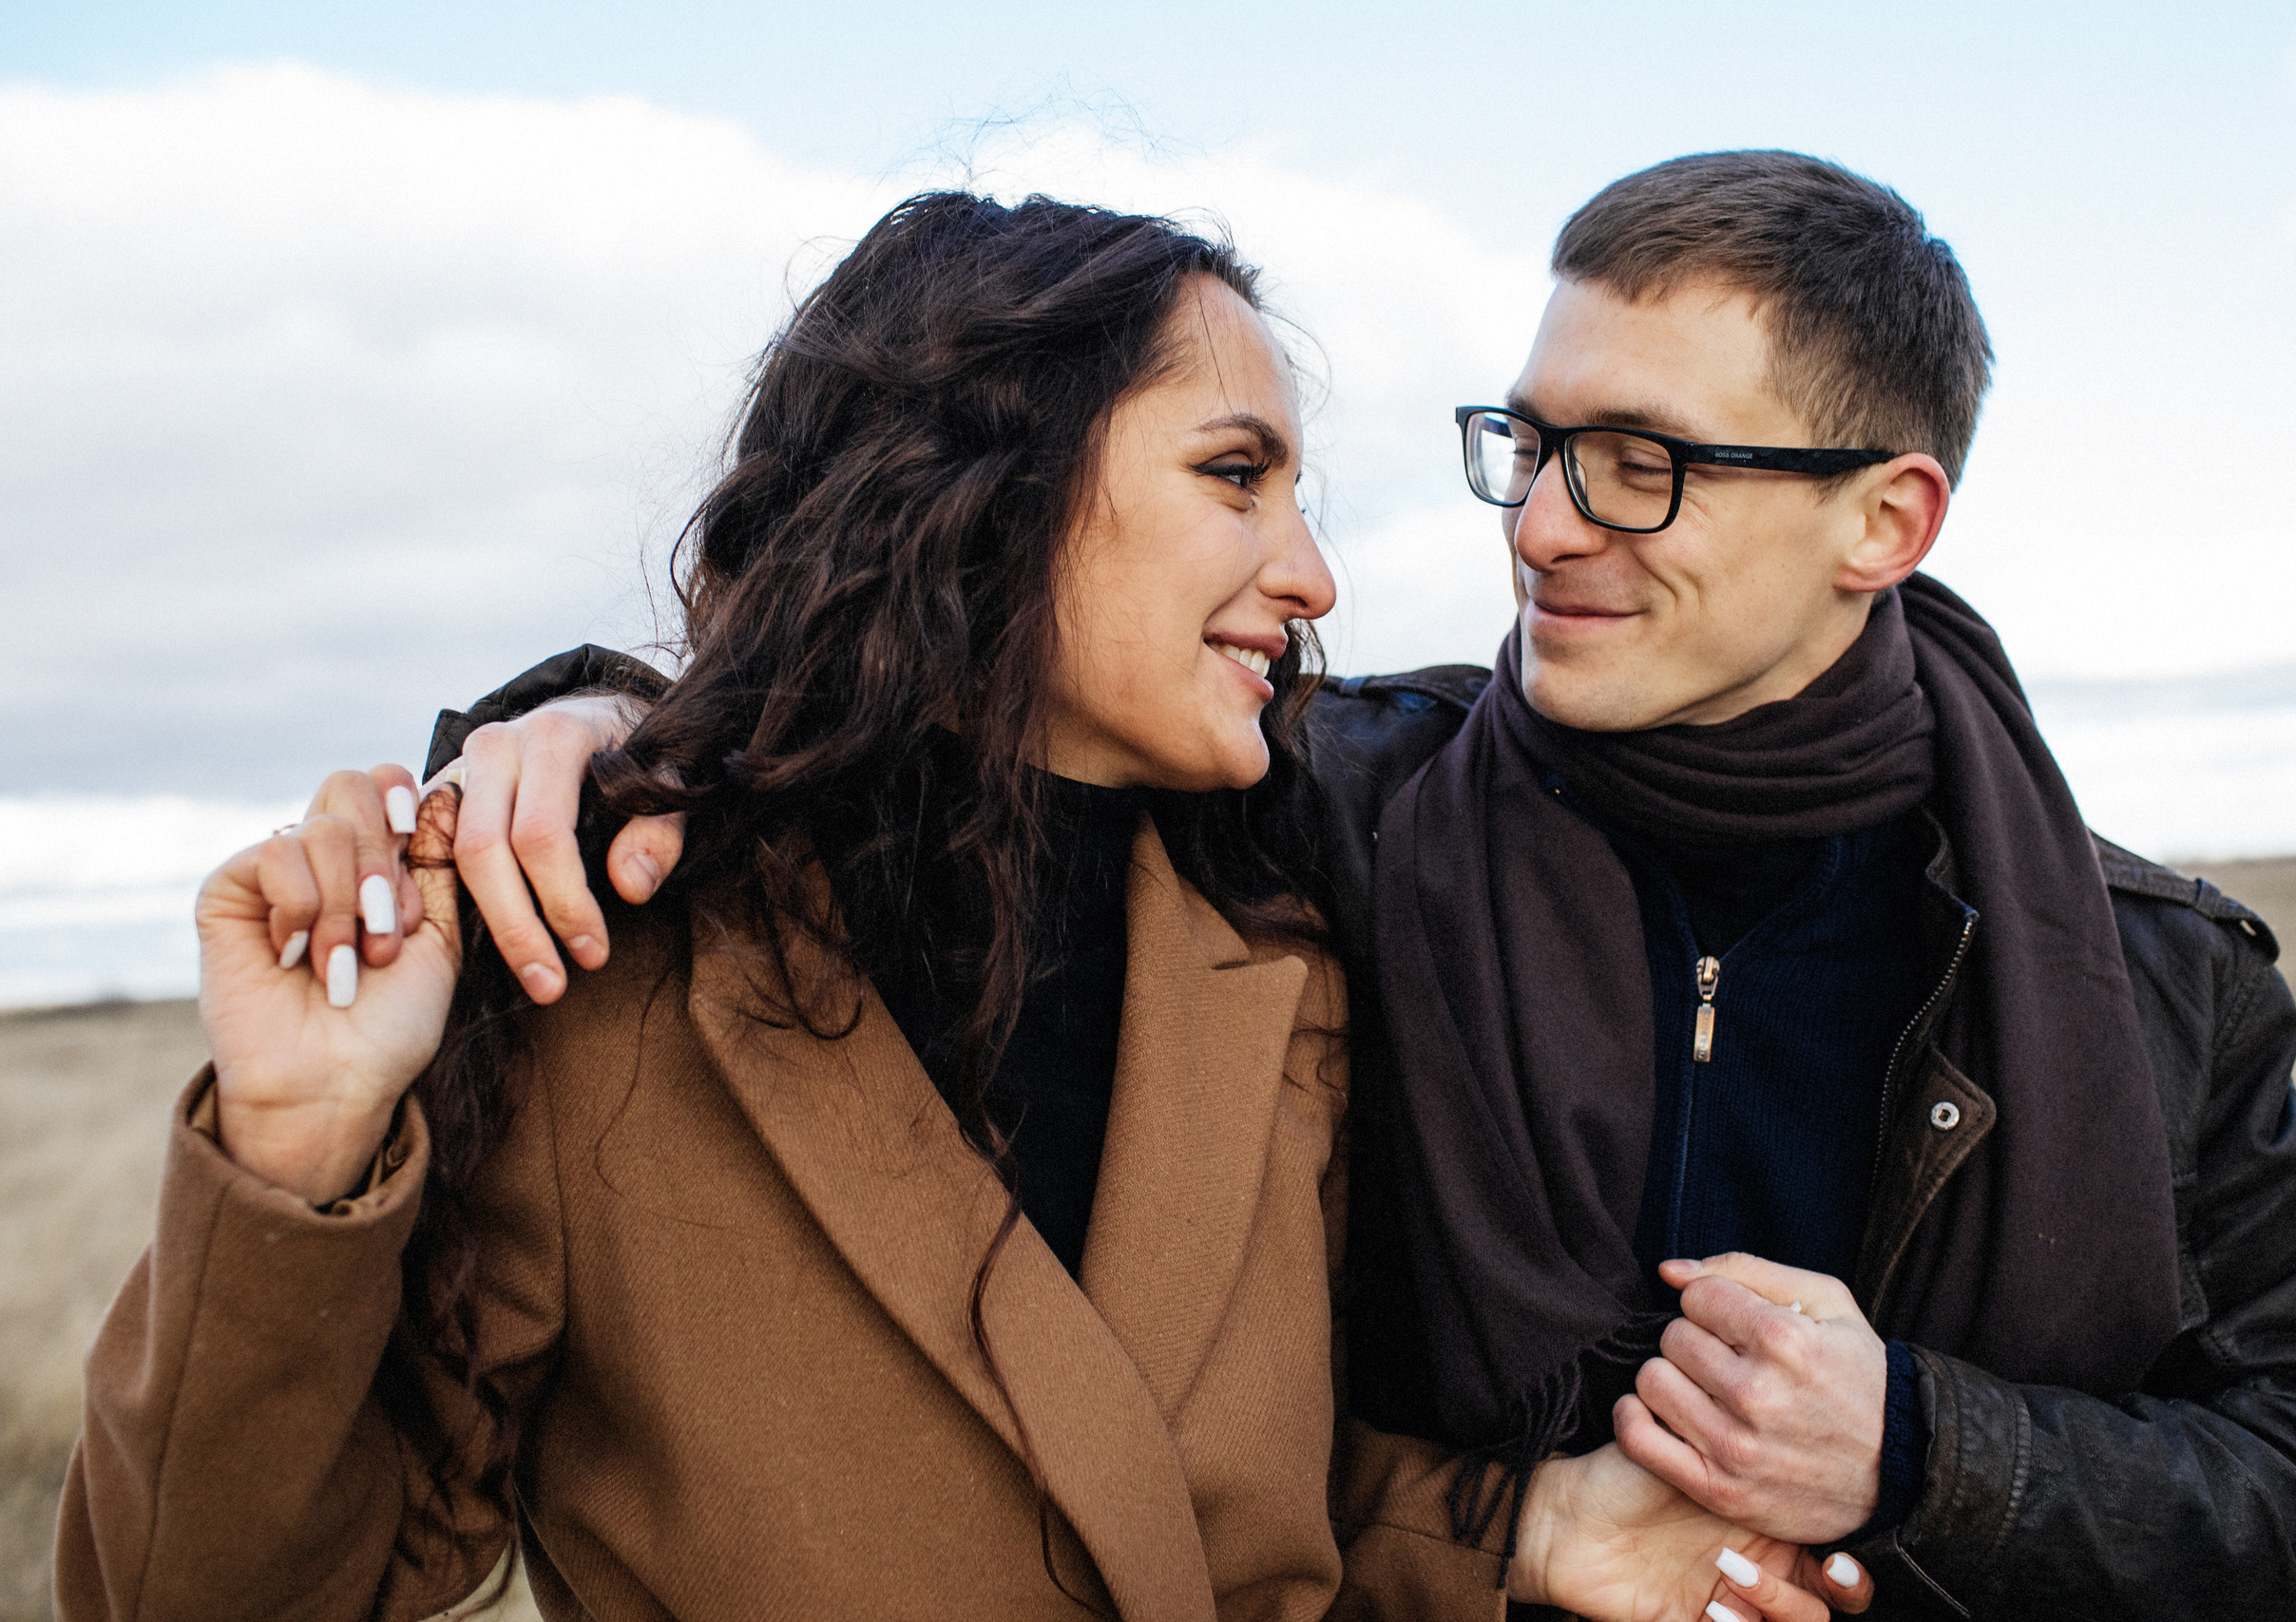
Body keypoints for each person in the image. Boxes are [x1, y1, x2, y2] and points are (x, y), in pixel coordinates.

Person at [447, 154, 2296, 1619]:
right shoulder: (1333, 812)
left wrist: (1921, 1444)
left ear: (1880, 518)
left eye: (1642, 462)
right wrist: (581, 724)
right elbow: (936, 702)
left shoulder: (2145, 975)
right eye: (1534, 443)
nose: (1545, 526)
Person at [57, 193, 1868, 1622]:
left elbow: (1218, 1528)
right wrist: (295, 1164)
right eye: (1236, 476)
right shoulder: (599, 976)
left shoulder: (1287, 963)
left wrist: (1531, 1534)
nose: (1312, 576)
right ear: (984, 494)